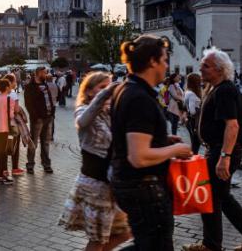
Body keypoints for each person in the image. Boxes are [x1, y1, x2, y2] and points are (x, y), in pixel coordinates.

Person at [109, 35, 192, 251]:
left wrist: (162, 140)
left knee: (149, 245)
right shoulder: (139, 97)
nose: (167, 66)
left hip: (133, 185)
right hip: (144, 187)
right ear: (152, 61)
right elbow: (139, 156)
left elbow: (131, 138)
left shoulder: (127, 89)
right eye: (164, 60)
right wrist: (175, 149)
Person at [183, 47, 242, 251]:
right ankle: (226, 241)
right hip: (216, 150)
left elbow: (233, 125)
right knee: (217, 196)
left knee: (214, 196)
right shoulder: (216, 88)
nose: (200, 68)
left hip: (222, 150)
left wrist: (225, 156)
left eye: (206, 65)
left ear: (220, 69)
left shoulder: (225, 90)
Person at [59, 71, 131, 251]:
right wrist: (106, 93)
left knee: (125, 232)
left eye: (109, 87)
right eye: (101, 87)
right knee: (98, 240)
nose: (107, 91)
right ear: (90, 91)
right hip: (95, 183)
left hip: (112, 183)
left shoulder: (111, 112)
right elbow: (83, 121)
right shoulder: (83, 109)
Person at [23, 66, 57, 174]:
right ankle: (30, 164)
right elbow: (28, 104)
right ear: (38, 73)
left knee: (45, 142)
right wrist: (35, 116)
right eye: (44, 73)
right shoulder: (30, 86)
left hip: (48, 117)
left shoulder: (45, 85)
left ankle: (46, 164)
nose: (46, 75)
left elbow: (48, 100)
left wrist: (52, 113)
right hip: (37, 119)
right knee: (33, 143)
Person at [183, 73, 203, 154]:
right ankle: (193, 161)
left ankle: (193, 159)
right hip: (194, 121)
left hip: (190, 121)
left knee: (194, 143)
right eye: (199, 80)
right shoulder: (191, 94)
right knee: (195, 143)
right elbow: (192, 111)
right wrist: (201, 108)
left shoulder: (188, 92)